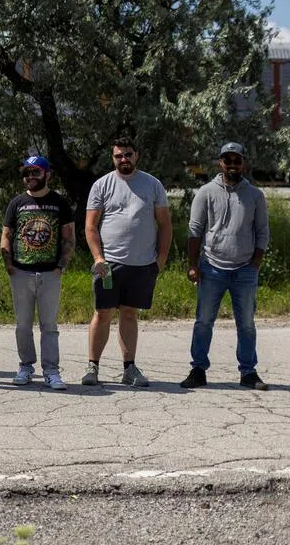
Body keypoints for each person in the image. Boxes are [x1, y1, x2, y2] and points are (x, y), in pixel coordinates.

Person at [83, 136, 172, 388]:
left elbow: (165, 224)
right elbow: (90, 226)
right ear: (113, 158)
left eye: (128, 154)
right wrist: (98, 257)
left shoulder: (153, 185)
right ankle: (92, 367)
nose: (124, 159)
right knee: (102, 313)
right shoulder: (102, 185)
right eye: (119, 155)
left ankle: (129, 368)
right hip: (109, 265)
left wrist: (161, 259)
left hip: (143, 265)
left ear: (137, 155)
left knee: (130, 314)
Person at [181, 142, 270, 390]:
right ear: (220, 163)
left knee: (247, 324)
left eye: (237, 160)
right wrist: (193, 264)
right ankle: (198, 370)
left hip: (244, 270)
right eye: (227, 160)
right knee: (204, 321)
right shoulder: (206, 192)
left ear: (243, 163)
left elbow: (262, 232)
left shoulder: (255, 195)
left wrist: (255, 264)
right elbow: (194, 231)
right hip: (211, 268)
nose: (232, 164)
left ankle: (248, 373)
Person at [0, 156, 75, 390]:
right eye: (27, 173)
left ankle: (51, 370)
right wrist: (8, 263)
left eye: (36, 172)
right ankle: (25, 366)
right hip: (21, 272)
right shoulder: (17, 203)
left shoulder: (59, 203)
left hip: (50, 274)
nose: (30, 177)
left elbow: (69, 238)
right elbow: (6, 234)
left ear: (47, 174)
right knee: (22, 325)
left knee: (49, 325)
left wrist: (60, 266)